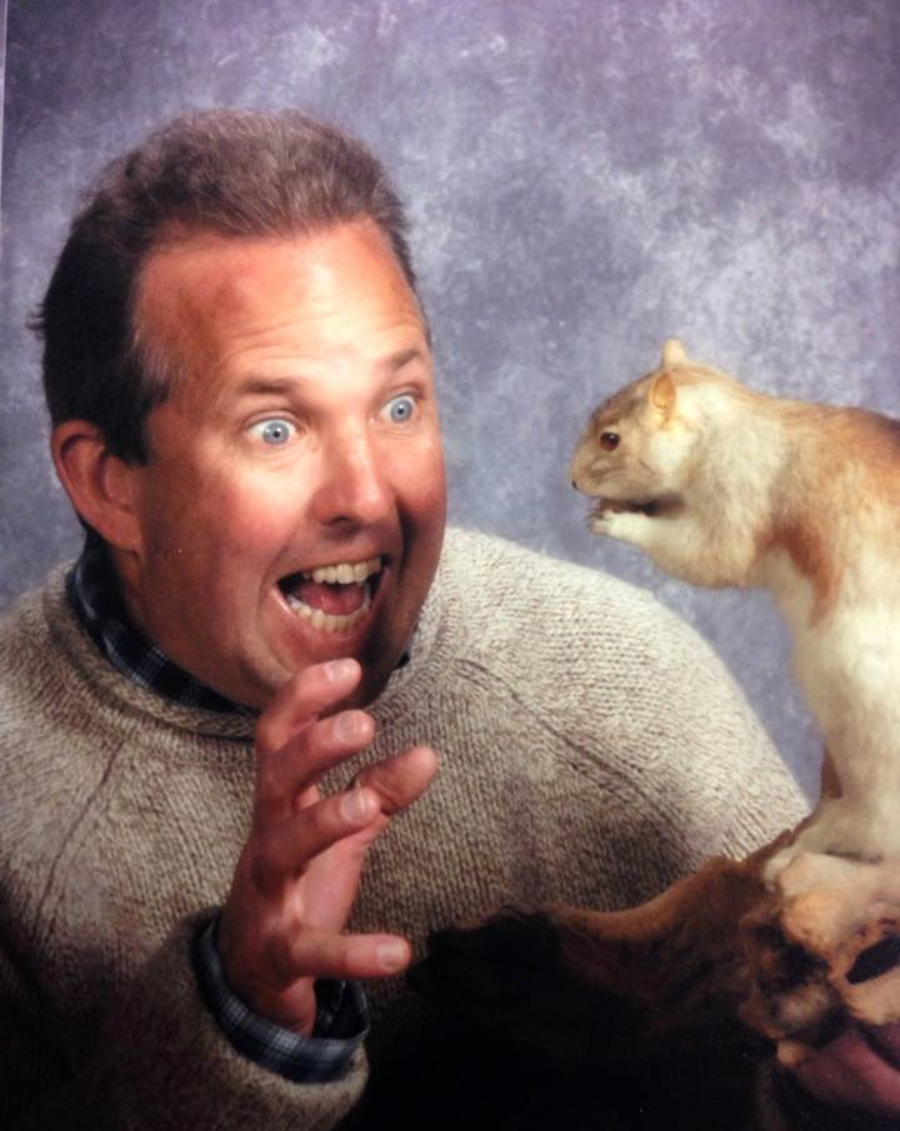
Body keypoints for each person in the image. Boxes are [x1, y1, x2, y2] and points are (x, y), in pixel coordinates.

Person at [0, 108, 896, 1130]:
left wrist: (834, 1092)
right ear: (110, 484)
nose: (369, 497)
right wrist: (240, 1020)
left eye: (397, 406)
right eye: (277, 427)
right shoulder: (15, 819)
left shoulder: (628, 684)